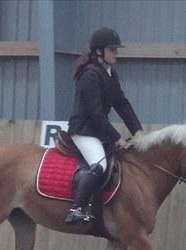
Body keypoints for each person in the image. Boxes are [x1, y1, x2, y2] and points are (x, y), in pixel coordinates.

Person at [65, 27, 143, 225]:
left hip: (97, 130)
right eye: (112, 49)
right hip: (83, 130)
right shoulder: (89, 75)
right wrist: (117, 137)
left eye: (116, 49)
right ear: (99, 51)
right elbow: (95, 114)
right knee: (99, 165)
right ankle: (77, 207)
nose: (116, 53)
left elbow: (122, 104)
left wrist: (138, 131)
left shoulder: (110, 74)